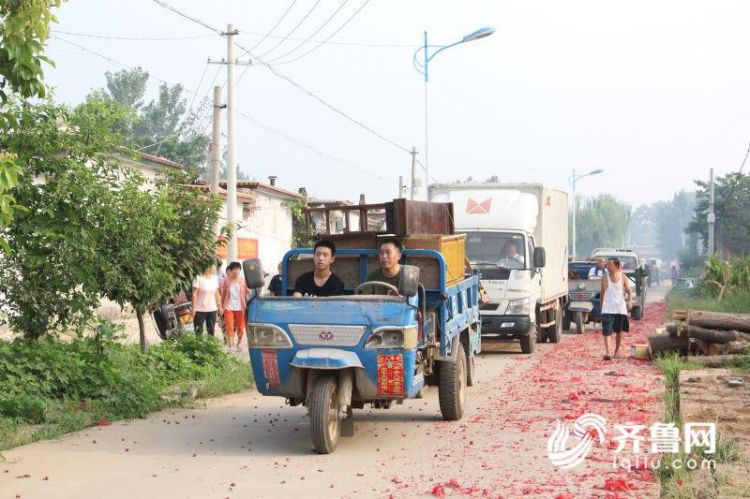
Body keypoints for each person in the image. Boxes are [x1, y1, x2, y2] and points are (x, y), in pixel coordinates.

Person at [600, 257, 633, 360]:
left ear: (617, 266)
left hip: (620, 309)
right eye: (607, 264)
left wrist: (630, 301)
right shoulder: (605, 278)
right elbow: (602, 293)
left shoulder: (623, 278)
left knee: (619, 331)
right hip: (607, 308)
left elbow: (629, 291)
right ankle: (608, 352)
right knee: (607, 331)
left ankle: (616, 351)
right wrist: (602, 306)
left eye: (610, 264)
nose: (608, 266)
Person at [220, 261, 249, 353]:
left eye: (238, 269)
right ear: (231, 271)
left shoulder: (243, 280)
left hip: (241, 308)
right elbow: (224, 294)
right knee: (229, 326)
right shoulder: (227, 281)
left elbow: (249, 292)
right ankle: (231, 345)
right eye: (234, 269)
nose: (236, 271)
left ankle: (239, 342)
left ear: (240, 270)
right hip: (229, 307)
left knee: (240, 327)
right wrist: (220, 307)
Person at [191, 264, 222, 337]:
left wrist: (219, 306)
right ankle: (198, 348)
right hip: (199, 310)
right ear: (208, 267)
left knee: (211, 332)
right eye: (213, 266)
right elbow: (194, 294)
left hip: (212, 309)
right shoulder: (198, 278)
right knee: (198, 332)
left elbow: (216, 293)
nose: (215, 268)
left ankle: (210, 348)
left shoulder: (215, 278)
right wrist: (193, 309)